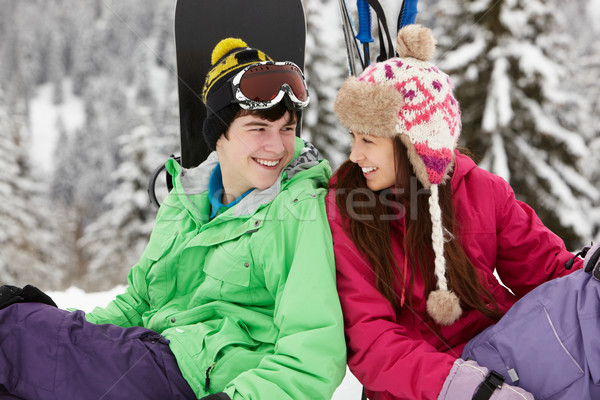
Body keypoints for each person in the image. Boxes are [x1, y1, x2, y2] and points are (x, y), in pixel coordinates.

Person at [0, 38, 346, 400]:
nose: (277, 147)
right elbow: (138, 303)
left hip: (202, 377)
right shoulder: (186, 201)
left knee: (12, 330)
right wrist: (69, 325)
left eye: (287, 129)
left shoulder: (298, 209)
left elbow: (312, 352)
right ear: (219, 137)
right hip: (151, 356)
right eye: (258, 129)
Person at [326, 24, 582, 400]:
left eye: (367, 140)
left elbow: (548, 271)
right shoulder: (348, 213)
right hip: (422, 388)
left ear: (413, 145)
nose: (354, 155)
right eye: (352, 137)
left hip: (506, 358)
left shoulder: (481, 190)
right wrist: (462, 387)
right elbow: (371, 339)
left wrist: (588, 277)